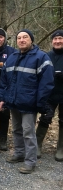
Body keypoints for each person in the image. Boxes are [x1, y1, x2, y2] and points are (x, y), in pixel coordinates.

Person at [0, 29, 54, 174]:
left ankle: (30, 161)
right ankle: (19, 153)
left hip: (29, 104)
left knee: (28, 132)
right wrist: (3, 98)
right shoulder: (12, 57)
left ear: (31, 40)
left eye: (25, 37)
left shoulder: (41, 57)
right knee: (16, 130)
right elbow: (4, 80)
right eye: (19, 38)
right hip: (14, 102)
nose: (22, 40)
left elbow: (47, 83)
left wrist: (39, 102)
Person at [36, 30, 63, 161]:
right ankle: (37, 145)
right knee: (46, 118)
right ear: (52, 41)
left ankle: (61, 148)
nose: (58, 41)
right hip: (50, 94)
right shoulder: (46, 56)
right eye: (55, 39)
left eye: (60, 39)